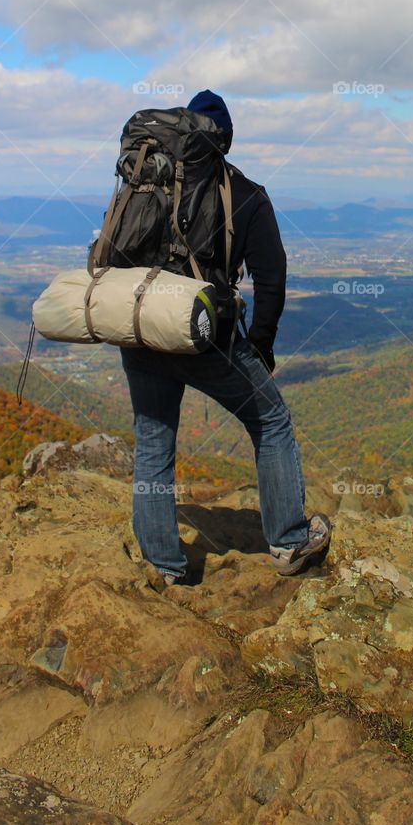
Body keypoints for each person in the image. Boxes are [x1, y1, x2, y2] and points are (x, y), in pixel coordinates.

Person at [120, 89, 331, 587]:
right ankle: (289, 540)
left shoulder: (149, 179)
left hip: (141, 325)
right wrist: (259, 345)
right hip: (202, 336)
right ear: (226, 141)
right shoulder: (248, 195)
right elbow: (271, 280)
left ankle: (165, 569)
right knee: (271, 421)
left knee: (154, 442)